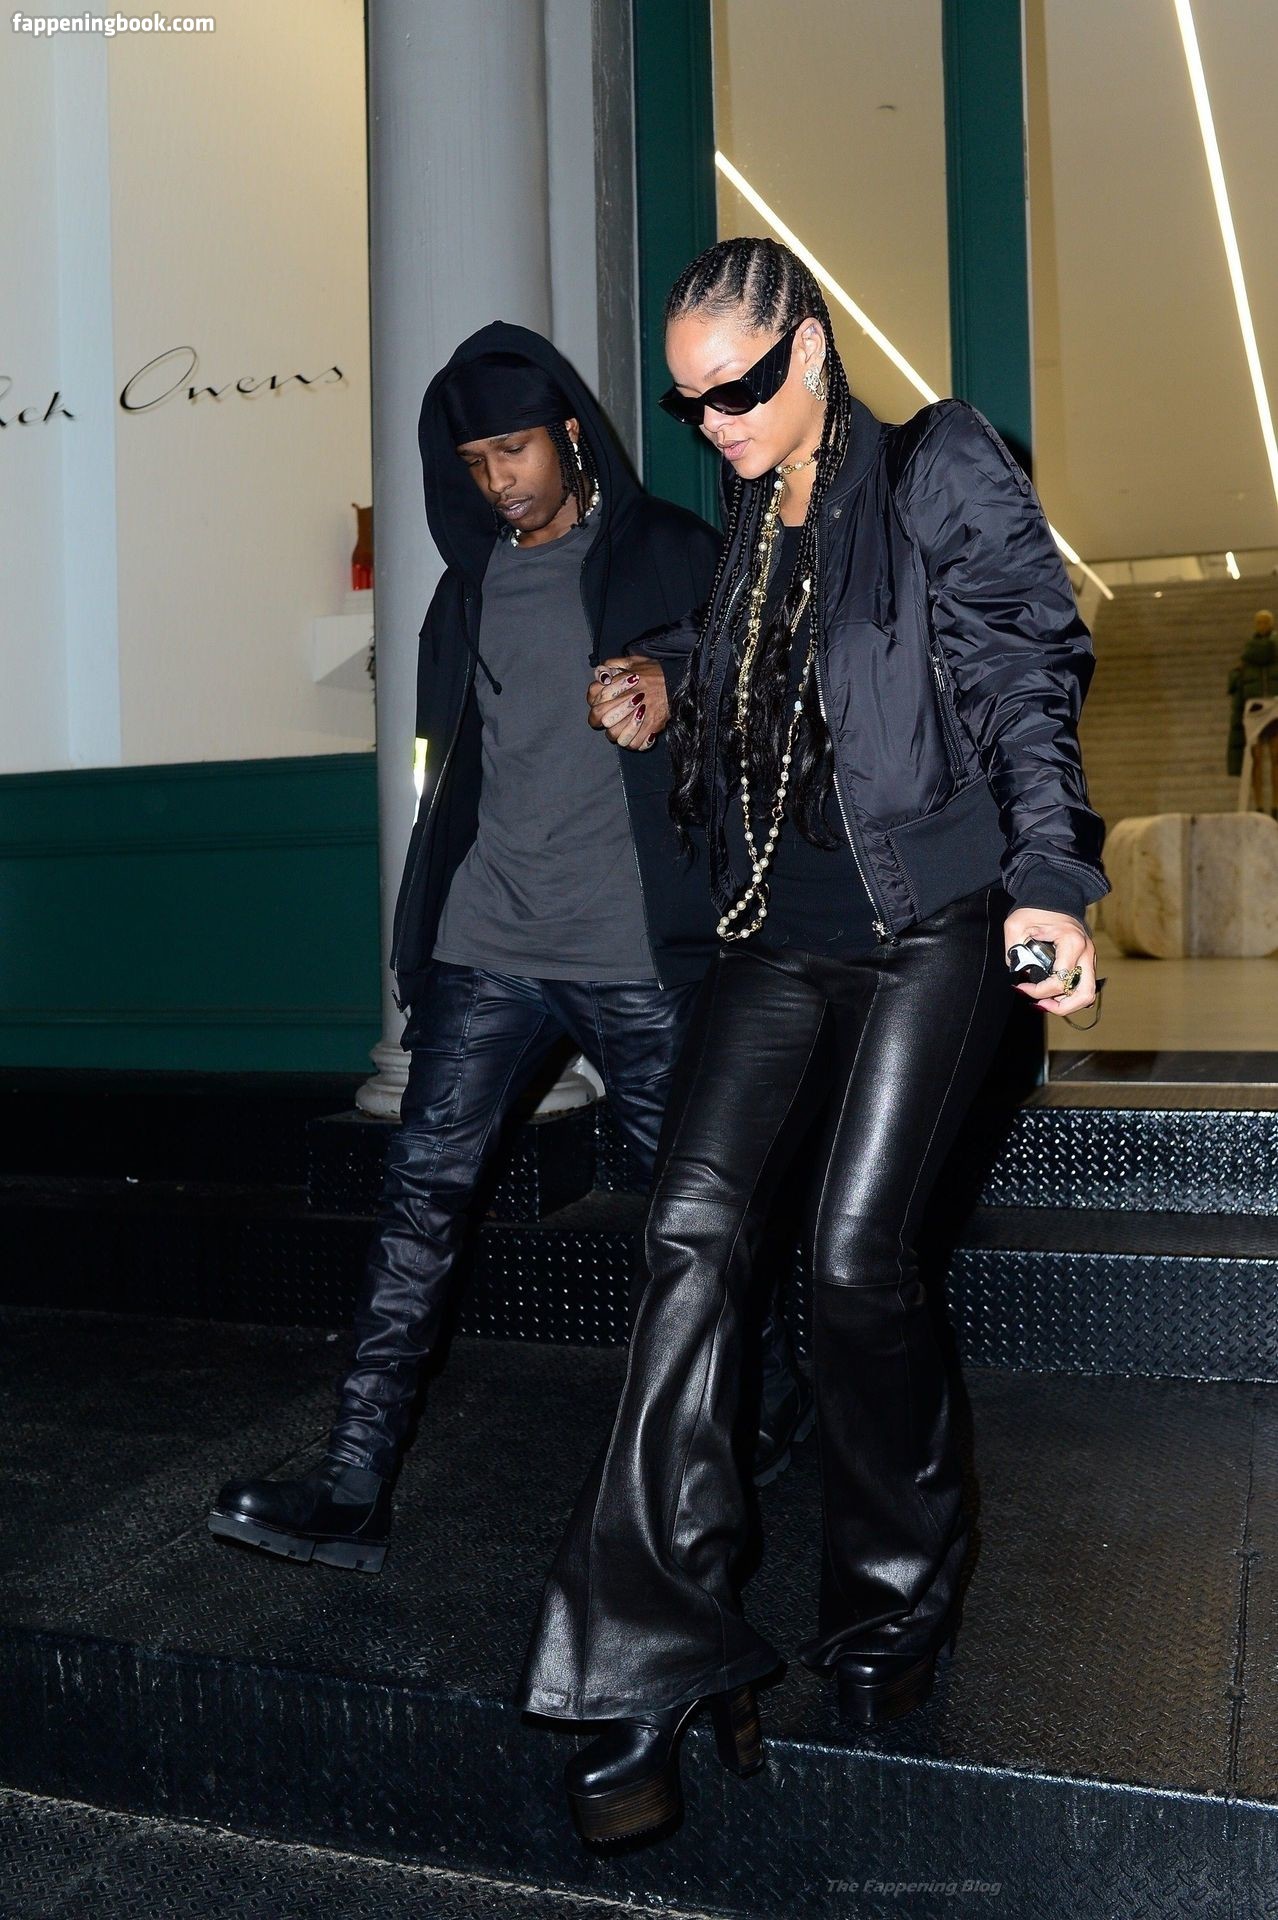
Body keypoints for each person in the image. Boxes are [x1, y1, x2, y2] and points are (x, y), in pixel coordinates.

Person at [515, 239, 1109, 1846]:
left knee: (854, 1262)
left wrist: (1050, 880)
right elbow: (775, 663)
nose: (714, 423)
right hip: (776, 937)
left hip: (935, 922)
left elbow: (1023, 664)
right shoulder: (748, 515)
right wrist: (667, 677)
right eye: (688, 403)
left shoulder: (935, 465)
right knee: (686, 1243)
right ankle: (650, 1661)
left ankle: (895, 1599)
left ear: (815, 346)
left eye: (740, 389)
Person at [207, 323, 810, 1576]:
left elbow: (764, 687)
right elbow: (453, 775)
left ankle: (765, 1406)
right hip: (491, 943)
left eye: (517, 452)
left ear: (571, 434)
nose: (500, 482)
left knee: (694, 1221)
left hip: (637, 955)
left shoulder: (668, 549)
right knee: (417, 1203)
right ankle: (354, 1483)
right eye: (477, 463)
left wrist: (670, 686)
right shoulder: (468, 588)